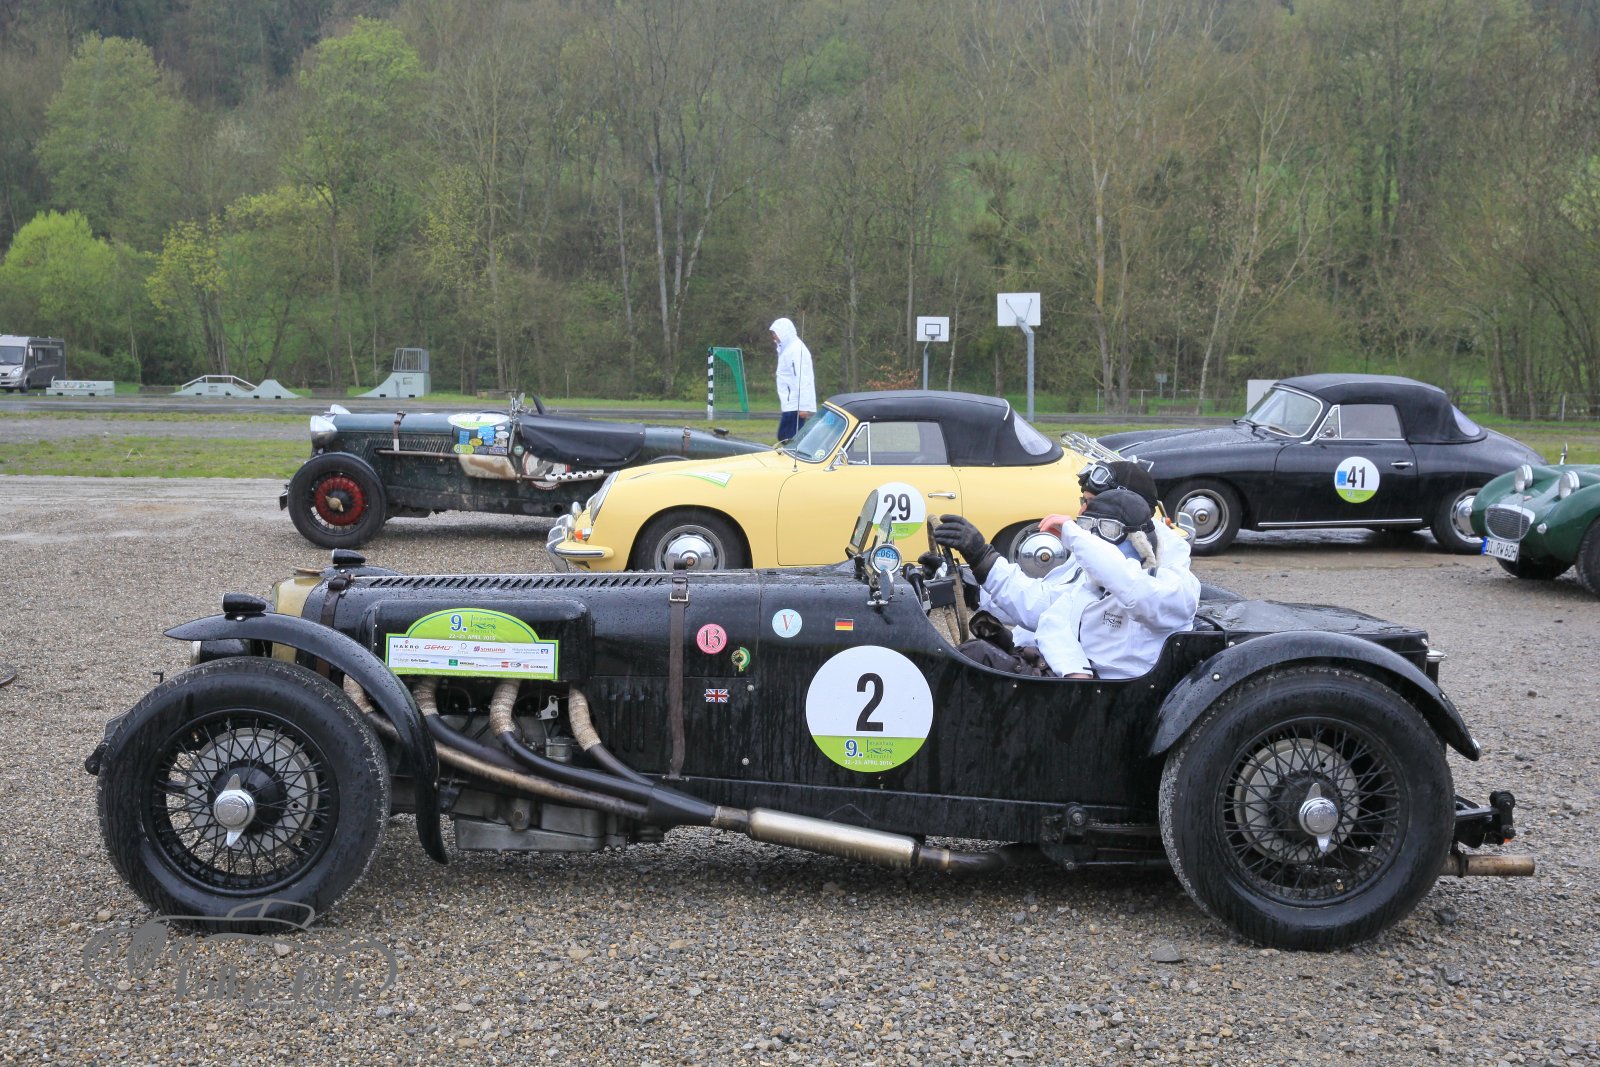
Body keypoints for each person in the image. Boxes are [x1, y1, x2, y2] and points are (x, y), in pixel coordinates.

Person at [933, 488, 1199, 679]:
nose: (1095, 537)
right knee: (970, 657)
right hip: (1079, 686)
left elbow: (1134, 590)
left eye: (1107, 530)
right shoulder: (1092, 582)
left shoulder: (1174, 588)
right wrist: (979, 567)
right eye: (1088, 526)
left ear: (1140, 542)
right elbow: (1048, 616)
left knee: (976, 657)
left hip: (1120, 702)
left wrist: (1076, 535)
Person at [770, 317, 816, 442]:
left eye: (775, 333)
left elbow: (802, 378)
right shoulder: (787, 349)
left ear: (783, 332)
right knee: (784, 437)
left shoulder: (795, 350)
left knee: (790, 438)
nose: (774, 337)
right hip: (790, 403)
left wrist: (803, 406)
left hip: (795, 404)